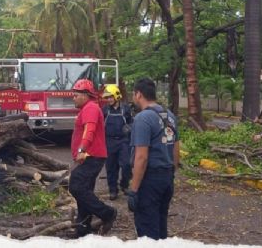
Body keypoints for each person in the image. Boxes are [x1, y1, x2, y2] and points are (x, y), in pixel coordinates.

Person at [126, 78, 179, 240]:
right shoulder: (169, 116)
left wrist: (134, 190)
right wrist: (171, 174)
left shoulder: (143, 118)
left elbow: (141, 157)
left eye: (134, 94)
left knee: (147, 230)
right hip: (167, 178)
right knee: (161, 224)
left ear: (139, 94)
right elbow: (176, 149)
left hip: (150, 180)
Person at [68, 79, 117, 237]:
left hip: (92, 156)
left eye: (76, 94)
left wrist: (82, 149)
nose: (73, 97)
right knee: (85, 190)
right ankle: (83, 227)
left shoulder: (91, 108)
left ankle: (107, 213)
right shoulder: (88, 108)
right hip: (89, 156)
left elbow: (89, 130)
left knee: (76, 186)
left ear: (85, 95)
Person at [101, 84, 133, 200]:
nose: (109, 99)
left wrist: (129, 127)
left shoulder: (126, 109)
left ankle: (124, 185)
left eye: (111, 97)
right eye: (107, 97)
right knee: (111, 167)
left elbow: (132, 122)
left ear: (116, 96)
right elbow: (100, 126)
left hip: (124, 141)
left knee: (126, 165)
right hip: (109, 141)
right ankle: (113, 190)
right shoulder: (104, 110)